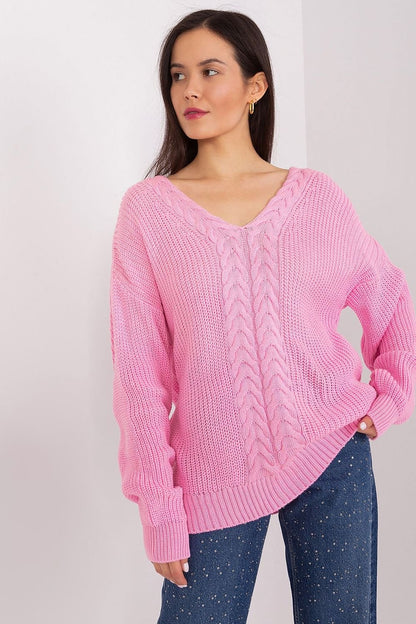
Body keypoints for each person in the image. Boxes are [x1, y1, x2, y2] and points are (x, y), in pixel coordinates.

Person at [109, 9, 416, 624]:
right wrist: (160, 509)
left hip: (332, 451)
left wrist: (389, 400)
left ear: (255, 86)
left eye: (209, 71)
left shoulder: (317, 198)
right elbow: (140, 375)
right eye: (177, 75)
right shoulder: (148, 213)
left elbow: (391, 302)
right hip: (211, 475)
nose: (189, 90)